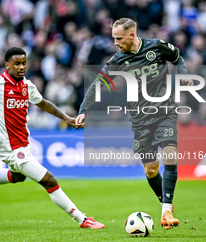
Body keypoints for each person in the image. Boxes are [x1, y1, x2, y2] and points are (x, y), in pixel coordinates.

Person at [0, 47, 104, 229]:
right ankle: (82, 219)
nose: (21, 67)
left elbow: (42, 103)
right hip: (10, 147)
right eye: (17, 63)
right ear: (7, 65)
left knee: (18, 177)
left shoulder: (27, 85)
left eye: (24, 63)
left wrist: (67, 118)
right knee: (49, 180)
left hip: (23, 144)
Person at [75, 18, 194, 230]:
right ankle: (165, 204)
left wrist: (184, 76)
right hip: (140, 119)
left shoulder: (156, 46)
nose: (115, 43)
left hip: (164, 110)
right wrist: (84, 109)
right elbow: (96, 84)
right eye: (113, 38)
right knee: (150, 169)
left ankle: (166, 209)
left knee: (170, 153)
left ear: (131, 35)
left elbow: (177, 58)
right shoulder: (118, 59)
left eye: (118, 38)